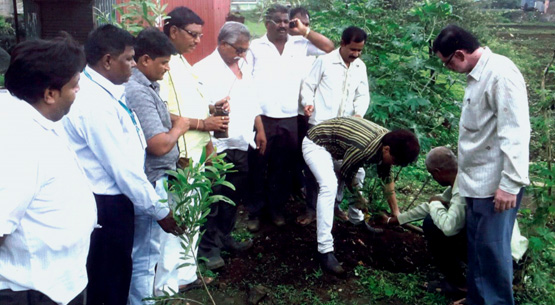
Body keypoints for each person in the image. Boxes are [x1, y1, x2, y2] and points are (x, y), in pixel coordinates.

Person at [62, 25, 181, 305]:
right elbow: (123, 168)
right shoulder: (94, 103)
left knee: (117, 275)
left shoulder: (107, 93)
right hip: (106, 204)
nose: (133, 65)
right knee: (110, 283)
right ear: (107, 60)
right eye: (128, 59)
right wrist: (160, 210)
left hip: (116, 201)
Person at [433, 25, 530, 305]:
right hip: (475, 183)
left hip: (495, 186)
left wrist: (510, 184)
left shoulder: (501, 73)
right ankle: (477, 299)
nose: (448, 68)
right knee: (477, 248)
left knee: (492, 251)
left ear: (460, 54)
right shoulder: (476, 76)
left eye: (447, 62)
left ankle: (496, 301)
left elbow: (516, 132)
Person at [0, 35, 95, 305]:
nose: (78, 92)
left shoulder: (31, 120)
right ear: (50, 94)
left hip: (56, 282)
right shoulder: (18, 141)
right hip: (32, 291)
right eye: (74, 86)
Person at [383, 147, 528, 299]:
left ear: (438, 172)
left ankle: (459, 285)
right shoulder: (465, 178)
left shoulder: (462, 190)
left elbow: (449, 228)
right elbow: (432, 204)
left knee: (431, 224)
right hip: (504, 251)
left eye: (432, 174)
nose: (433, 178)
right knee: (437, 215)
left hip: (500, 256)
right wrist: (394, 220)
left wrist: (435, 204)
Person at [156, 6, 228, 295]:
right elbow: (159, 112)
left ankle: (186, 275)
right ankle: (165, 288)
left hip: (196, 152)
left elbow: (185, 106)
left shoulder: (183, 63)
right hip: (179, 156)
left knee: (193, 218)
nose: (198, 40)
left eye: (200, 35)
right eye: (193, 34)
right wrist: (203, 122)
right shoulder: (163, 65)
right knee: (175, 225)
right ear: (173, 31)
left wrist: (211, 110)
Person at [246, 4, 335, 231]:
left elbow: (329, 47)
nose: (284, 25)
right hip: (262, 117)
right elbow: (246, 82)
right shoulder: (255, 47)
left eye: (287, 21)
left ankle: (276, 209)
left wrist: (303, 30)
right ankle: (255, 212)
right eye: (278, 21)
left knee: (281, 167)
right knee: (258, 165)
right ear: (267, 23)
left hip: (289, 117)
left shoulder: (300, 44)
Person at [303, 117, 420, 275]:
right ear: (386, 149)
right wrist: (359, 198)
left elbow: (387, 178)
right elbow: (346, 173)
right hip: (317, 144)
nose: (395, 164)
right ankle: (324, 250)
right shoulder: (365, 148)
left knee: (360, 174)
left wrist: (396, 212)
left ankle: (356, 220)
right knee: (329, 186)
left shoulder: (388, 142)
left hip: (337, 150)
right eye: (395, 161)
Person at [194, 21, 265, 270]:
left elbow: (252, 98)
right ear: (223, 44)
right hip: (217, 146)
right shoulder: (202, 70)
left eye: (245, 49)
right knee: (215, 198)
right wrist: (208, 149)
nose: (243, 54)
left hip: (241, 141)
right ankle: (207, 249)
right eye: (238, 49)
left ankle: (225, 237)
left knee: (233, 197)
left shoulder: (243, 64)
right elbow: (199, 112)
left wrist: (260, 128)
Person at [124, 27, 188, 304]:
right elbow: (158, 144)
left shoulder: (147, 87)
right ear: (146, 59)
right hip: (152, 178)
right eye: (163, 62)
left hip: (158, 175)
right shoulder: (137, 90)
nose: (167, 68)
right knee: (146, 253)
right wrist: (180, 127)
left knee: (148, 250)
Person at [298, 26, 370, 226]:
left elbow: (363, 94)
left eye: (359, 51)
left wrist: (358, 114)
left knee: (341, 167)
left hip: (346, 128)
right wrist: (307, 102)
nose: (355, 54)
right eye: (352, 49)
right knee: (315, 170)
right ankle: (311, 209)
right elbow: (309, 85)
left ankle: (335, 206)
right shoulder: (324, 61)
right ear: (343, 43)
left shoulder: (359, 67)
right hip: (320, 125)